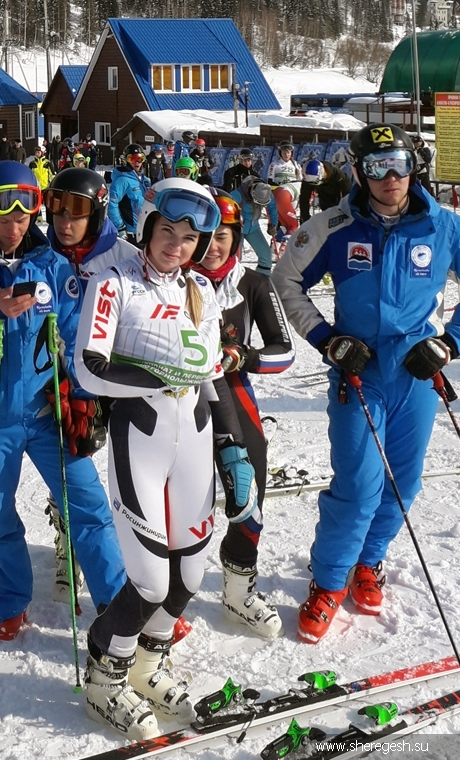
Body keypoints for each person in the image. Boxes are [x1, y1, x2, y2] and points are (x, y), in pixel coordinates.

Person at [72, 179, 255, 739]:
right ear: (148, 228)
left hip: (195, 439)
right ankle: (105, 676)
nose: (177, 245)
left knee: (191, 574)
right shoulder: (114, 283)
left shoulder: (200, 288)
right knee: (150, 580)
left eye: (189, 237)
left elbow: (210, 378)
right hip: (142, 442)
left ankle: (147, 667)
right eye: (167, 232)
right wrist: (160, 374)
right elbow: (89, 367)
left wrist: (232, 444)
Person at [273, 123, 460, 642]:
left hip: (417, 373)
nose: (390, 177)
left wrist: (451, 342)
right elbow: (284, 279)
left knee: (404, 482)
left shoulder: (443, 226)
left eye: (398, 163)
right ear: (359, 172)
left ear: (413, 165)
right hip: (360, 371)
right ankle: (330, 581)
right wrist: (327, 339)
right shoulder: (333, 225)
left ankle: (368, 562)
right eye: (377, 167)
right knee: (357, 485)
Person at [0, 161, 126, 642]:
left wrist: (82, 400)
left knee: (86, 504)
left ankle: (118, 602)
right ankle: (10, 599)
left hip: (45, 414)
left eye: (24, 214)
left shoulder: (54, 266)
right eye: (4, 213)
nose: (15, 224)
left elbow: (79, 338)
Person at [189, 192, 295, 638]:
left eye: (223, 236)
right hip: (181, 395)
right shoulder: (173, 277)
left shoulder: (252, 283)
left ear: (235, 238)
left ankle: (238, 590)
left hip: (233, 393)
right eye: (205, 236)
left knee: (248, 495)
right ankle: (166, 597)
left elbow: (283, 351)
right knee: (183, 506)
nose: (213, 245)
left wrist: (242, 356)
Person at [43, 166, 135, 602]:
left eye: (76, 211)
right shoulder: (43, 255)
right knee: (71, 478)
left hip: (115, 386)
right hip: (59, 386)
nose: (65, 221)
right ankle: (69, 543)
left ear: (97, 212)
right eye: (56, 208)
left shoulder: (125, 259)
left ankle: (132, 553)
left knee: (127, 476)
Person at [229, 175, 279, 274]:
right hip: (238, 229)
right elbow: (225, 206)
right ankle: (231, 283)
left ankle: (262, 282)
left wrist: (273, 224)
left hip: (253, 228)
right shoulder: (237, 195)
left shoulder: (266, 192)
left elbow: (272, 207)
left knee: (266, 255)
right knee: (235, 258)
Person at [108, 151, 150, 242]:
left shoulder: (144, 180)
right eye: (133, 159)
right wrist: (120, 227)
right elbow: (112, 204)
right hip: (131, 231)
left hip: (144, 228)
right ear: (126, 161)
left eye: (140, 158)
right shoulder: (122, 180)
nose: (137, 162)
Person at [300, 158, 351, 224]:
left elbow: (347, 187)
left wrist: (346, 209)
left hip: (337, 194)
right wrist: (305, 219)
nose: (311, 184)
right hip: (324, 198)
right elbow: (304, 199)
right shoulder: (308, 178)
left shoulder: (337, 175)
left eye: (315, 183)